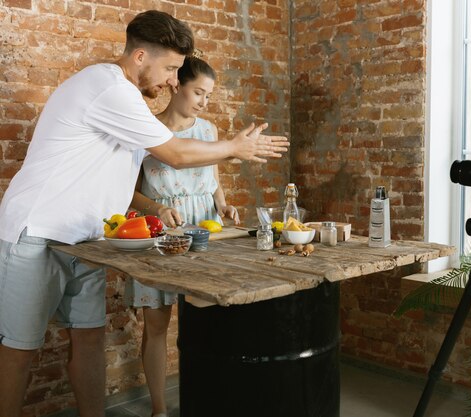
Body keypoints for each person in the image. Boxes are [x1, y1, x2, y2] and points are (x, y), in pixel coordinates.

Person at [0, 10, 288, 417]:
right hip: (37, 233)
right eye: (170, 68)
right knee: (19, 349)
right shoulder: (108, 88)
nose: (174, 80)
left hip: (87, 242)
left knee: (89, 339)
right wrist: (234, 148)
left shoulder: (128, 99)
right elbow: (174, 153)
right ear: (139, 57)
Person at [125, 56, 239, 417]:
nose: (204, 102)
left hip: (204, 228)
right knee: (156, 324)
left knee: (207, 319)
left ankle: (208, 400)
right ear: (176, 85)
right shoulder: (147, 130)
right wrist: (156, 209)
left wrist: (222, 206)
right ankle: (160, 409)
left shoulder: (208, 131)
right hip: (162, 231)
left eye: (208, 95)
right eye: (198, 93)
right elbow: (128, 193)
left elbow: (214, 179)